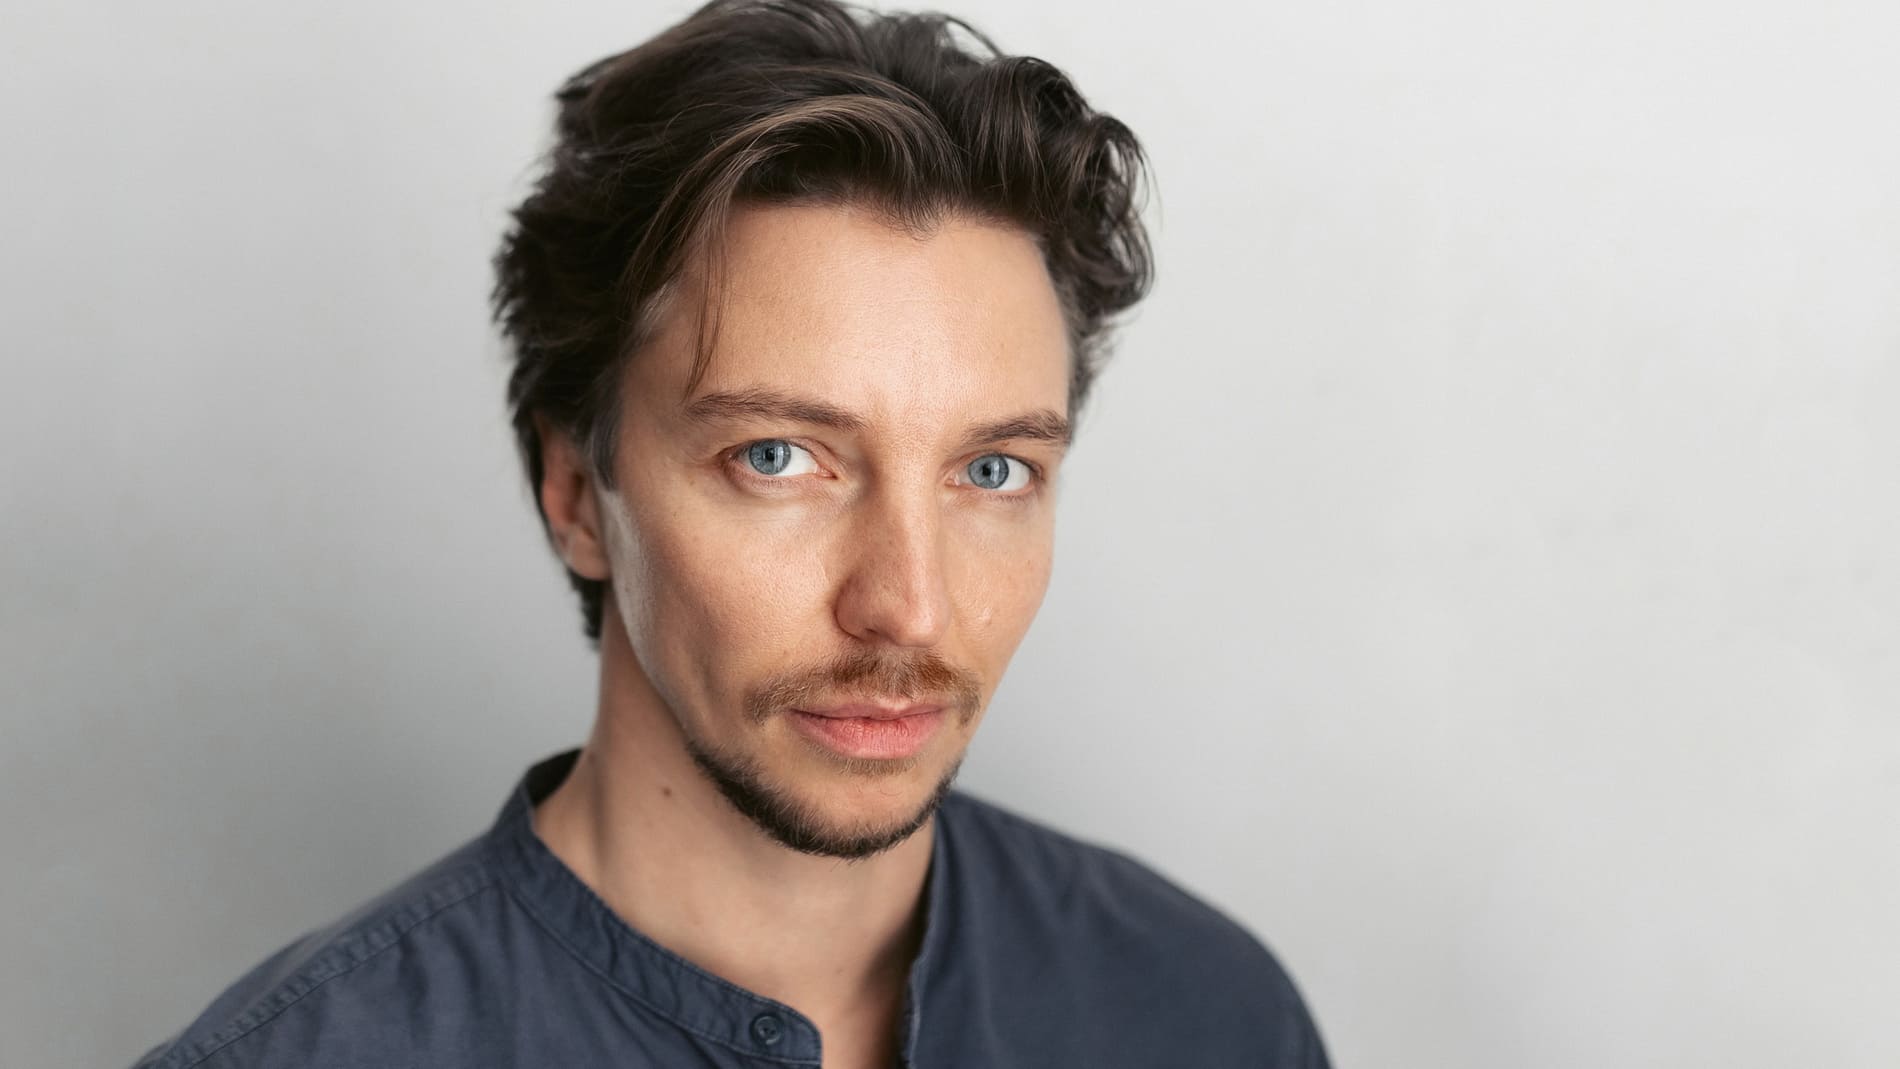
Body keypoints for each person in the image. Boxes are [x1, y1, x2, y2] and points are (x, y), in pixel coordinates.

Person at [131, 1, 1329, 1066]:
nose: (908, 606)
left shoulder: (1205, 1012)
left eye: (991, 470)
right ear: (575, 490)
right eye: (776, 458)